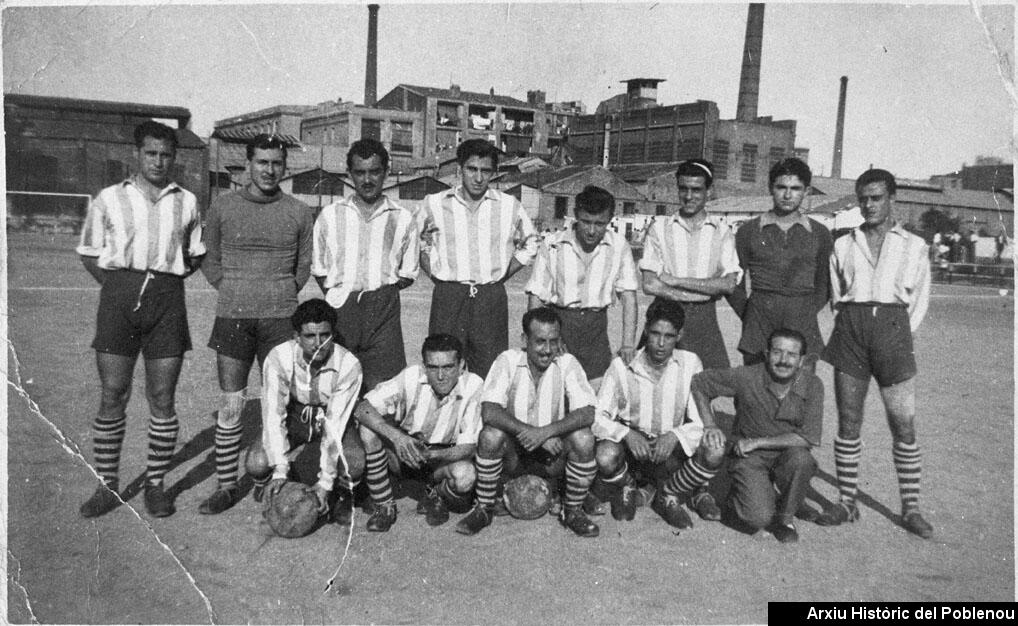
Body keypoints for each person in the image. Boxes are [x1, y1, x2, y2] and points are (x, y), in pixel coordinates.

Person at [77, 120, 205, 518]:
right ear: (137, 154)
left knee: (162, 398)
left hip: (167, 301)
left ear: (175, 157)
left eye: (166, 154)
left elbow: (196, 253)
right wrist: (122, 286)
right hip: (119, 298)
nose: (158, 161)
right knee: (113, 394)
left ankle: (155, 485)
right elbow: (88, 251)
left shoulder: (187, 201)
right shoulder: (108, 198)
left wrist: (160, 283)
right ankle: (107, 485)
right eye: (151, 153)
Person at [198, 134, 316, 514]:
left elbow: (303, 267)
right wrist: (234, 289)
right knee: (232, 401)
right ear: (248, 165)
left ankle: (275, 476)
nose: (269, 170)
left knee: (278, 401)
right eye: (262, 162)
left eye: (276, 163)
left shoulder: (298, 211)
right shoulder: (223, 206)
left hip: (280, 319)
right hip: (233, 316)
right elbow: (209, 258)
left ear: (285, 167)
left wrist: (278, 292)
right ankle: (225, 485)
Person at [819, 168, 933, 538]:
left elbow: (918, 302)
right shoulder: (844, 244)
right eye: (864, 198)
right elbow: (838, 296)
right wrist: (857, 324)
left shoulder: (913, 246)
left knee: (903, 423)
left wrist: (894, 333)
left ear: (891, 199)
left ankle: (911, 508)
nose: (869, 205)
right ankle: (847, 501)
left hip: (893, 332)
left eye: (877, 198)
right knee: (849, 420)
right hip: (851, 331)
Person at [455, 308, 600, 538]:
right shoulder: (508, 360)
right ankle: (484, 508)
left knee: (583, 438)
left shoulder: (567, 362)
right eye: (540, 341)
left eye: (554, 341)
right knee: (490, 435)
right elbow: (489, 410)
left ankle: (572, 510)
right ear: (524, 340)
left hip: (552, 458)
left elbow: (587, 412)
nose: (548, 350)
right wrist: (530, 432)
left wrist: (546, 433)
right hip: (514, 456)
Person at [588, 300, 725, 528]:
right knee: (605, 455)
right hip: (633, 451)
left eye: (669, 336)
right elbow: (599, 416)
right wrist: (627, 435)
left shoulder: (690, 363)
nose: (661, 343)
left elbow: (701, 421)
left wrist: (674, 436)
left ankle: (668, 495)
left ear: (679, 335)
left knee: (715, 448)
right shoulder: (622, 366)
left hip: (669, 451)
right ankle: (627, 485)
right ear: (645, 331)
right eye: (655, 334)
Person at [419, 139, 539, 378]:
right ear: (460, 169)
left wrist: (506, 272)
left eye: (485, 171)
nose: (478, 177)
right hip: (449, 296)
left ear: (493, 173)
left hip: (489, 297)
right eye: (472, 169)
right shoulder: (435, 202)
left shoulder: (508, 205)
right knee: (444, 367)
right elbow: (411, 240)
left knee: (490, 370)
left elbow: (531, 242)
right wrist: (433, 271)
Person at [690, 329, 823, 543]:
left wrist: (758, 442)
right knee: (757, 517)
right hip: (749, 457)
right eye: (777, 352)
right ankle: (738, 498)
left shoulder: (812, 384)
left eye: (791, 355)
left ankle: (785, 518)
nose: (783, 361)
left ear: (801, 360)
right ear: (766, 353)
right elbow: (699, 383)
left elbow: (808, 437)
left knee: (803, 460)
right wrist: (709, 425)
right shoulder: (748, 376)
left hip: (786, 453)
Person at [312, 139, 419, 393]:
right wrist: (341, 294)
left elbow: (407, 273)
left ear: (386, 173)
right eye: (360, 172)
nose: (367, 179)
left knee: (385, 391)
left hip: (383, 311)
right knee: (339, 387)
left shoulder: (402, 218)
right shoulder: (330, 215)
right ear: (350, 174)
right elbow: (320, 269)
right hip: (341, 308)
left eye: (374, 172)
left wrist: (377, 293)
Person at [245, 299, 364, 524]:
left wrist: (325, 483)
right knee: (257, 462)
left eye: (324, 335)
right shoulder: (278, 357)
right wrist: (280, 469)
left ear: (333, 334)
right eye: (310, 336)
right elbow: (273, 414)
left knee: (354, 463)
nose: (318, 343)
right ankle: (275, 486)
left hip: (331, 417)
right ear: (296, 337)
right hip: (295, 413)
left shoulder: (348, 364)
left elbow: (335, 428)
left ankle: (342, 494)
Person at [353, 334, 482, 531]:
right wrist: (397, 437)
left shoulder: (473, 385)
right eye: (433, 367)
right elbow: (363, 408)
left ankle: (436, 494)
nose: (440, 376)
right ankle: (384, 505)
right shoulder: (412, 375)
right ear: (424, 366)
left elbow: (469, 447)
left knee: (466, 477)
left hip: (442, 457)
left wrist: (432, 455)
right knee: (368, 429)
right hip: (405, 450)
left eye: (448, 367)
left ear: (462, 365)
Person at [525, 185, 639, 385]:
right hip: (558, 327)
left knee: (595, 392)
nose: (592, 231)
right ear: (576, 215)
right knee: (554, 388)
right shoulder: (553, 244)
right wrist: (538, 339)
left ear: (610, 219)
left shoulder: (619, 246)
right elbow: (536, 295)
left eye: (599, 223)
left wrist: (628, 343)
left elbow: (629, 297)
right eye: (586, 222)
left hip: (596, 331)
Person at [729, 158, 833, 365]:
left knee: (800, 388)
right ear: (770, 188)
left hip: (802, 320)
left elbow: (825, 284)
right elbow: (734, 283)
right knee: (755, 389)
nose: (787, 195)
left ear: (806, 191)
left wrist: (805, 311)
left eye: (795, 188)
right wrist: (751, 315)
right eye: (781, 187)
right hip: (759, 320)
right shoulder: (748, 231)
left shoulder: (819, 233)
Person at [640, 159, 742, 369]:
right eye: (683, 189)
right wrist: (697, 293)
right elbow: (650, 284)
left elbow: (728, 284)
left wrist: (676, 281)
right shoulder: (660, 228)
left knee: (708, 385)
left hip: (704, 321)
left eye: (696, 190)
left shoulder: (721, 231)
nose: (688, 196)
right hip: (666, 317)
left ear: (709, 191)